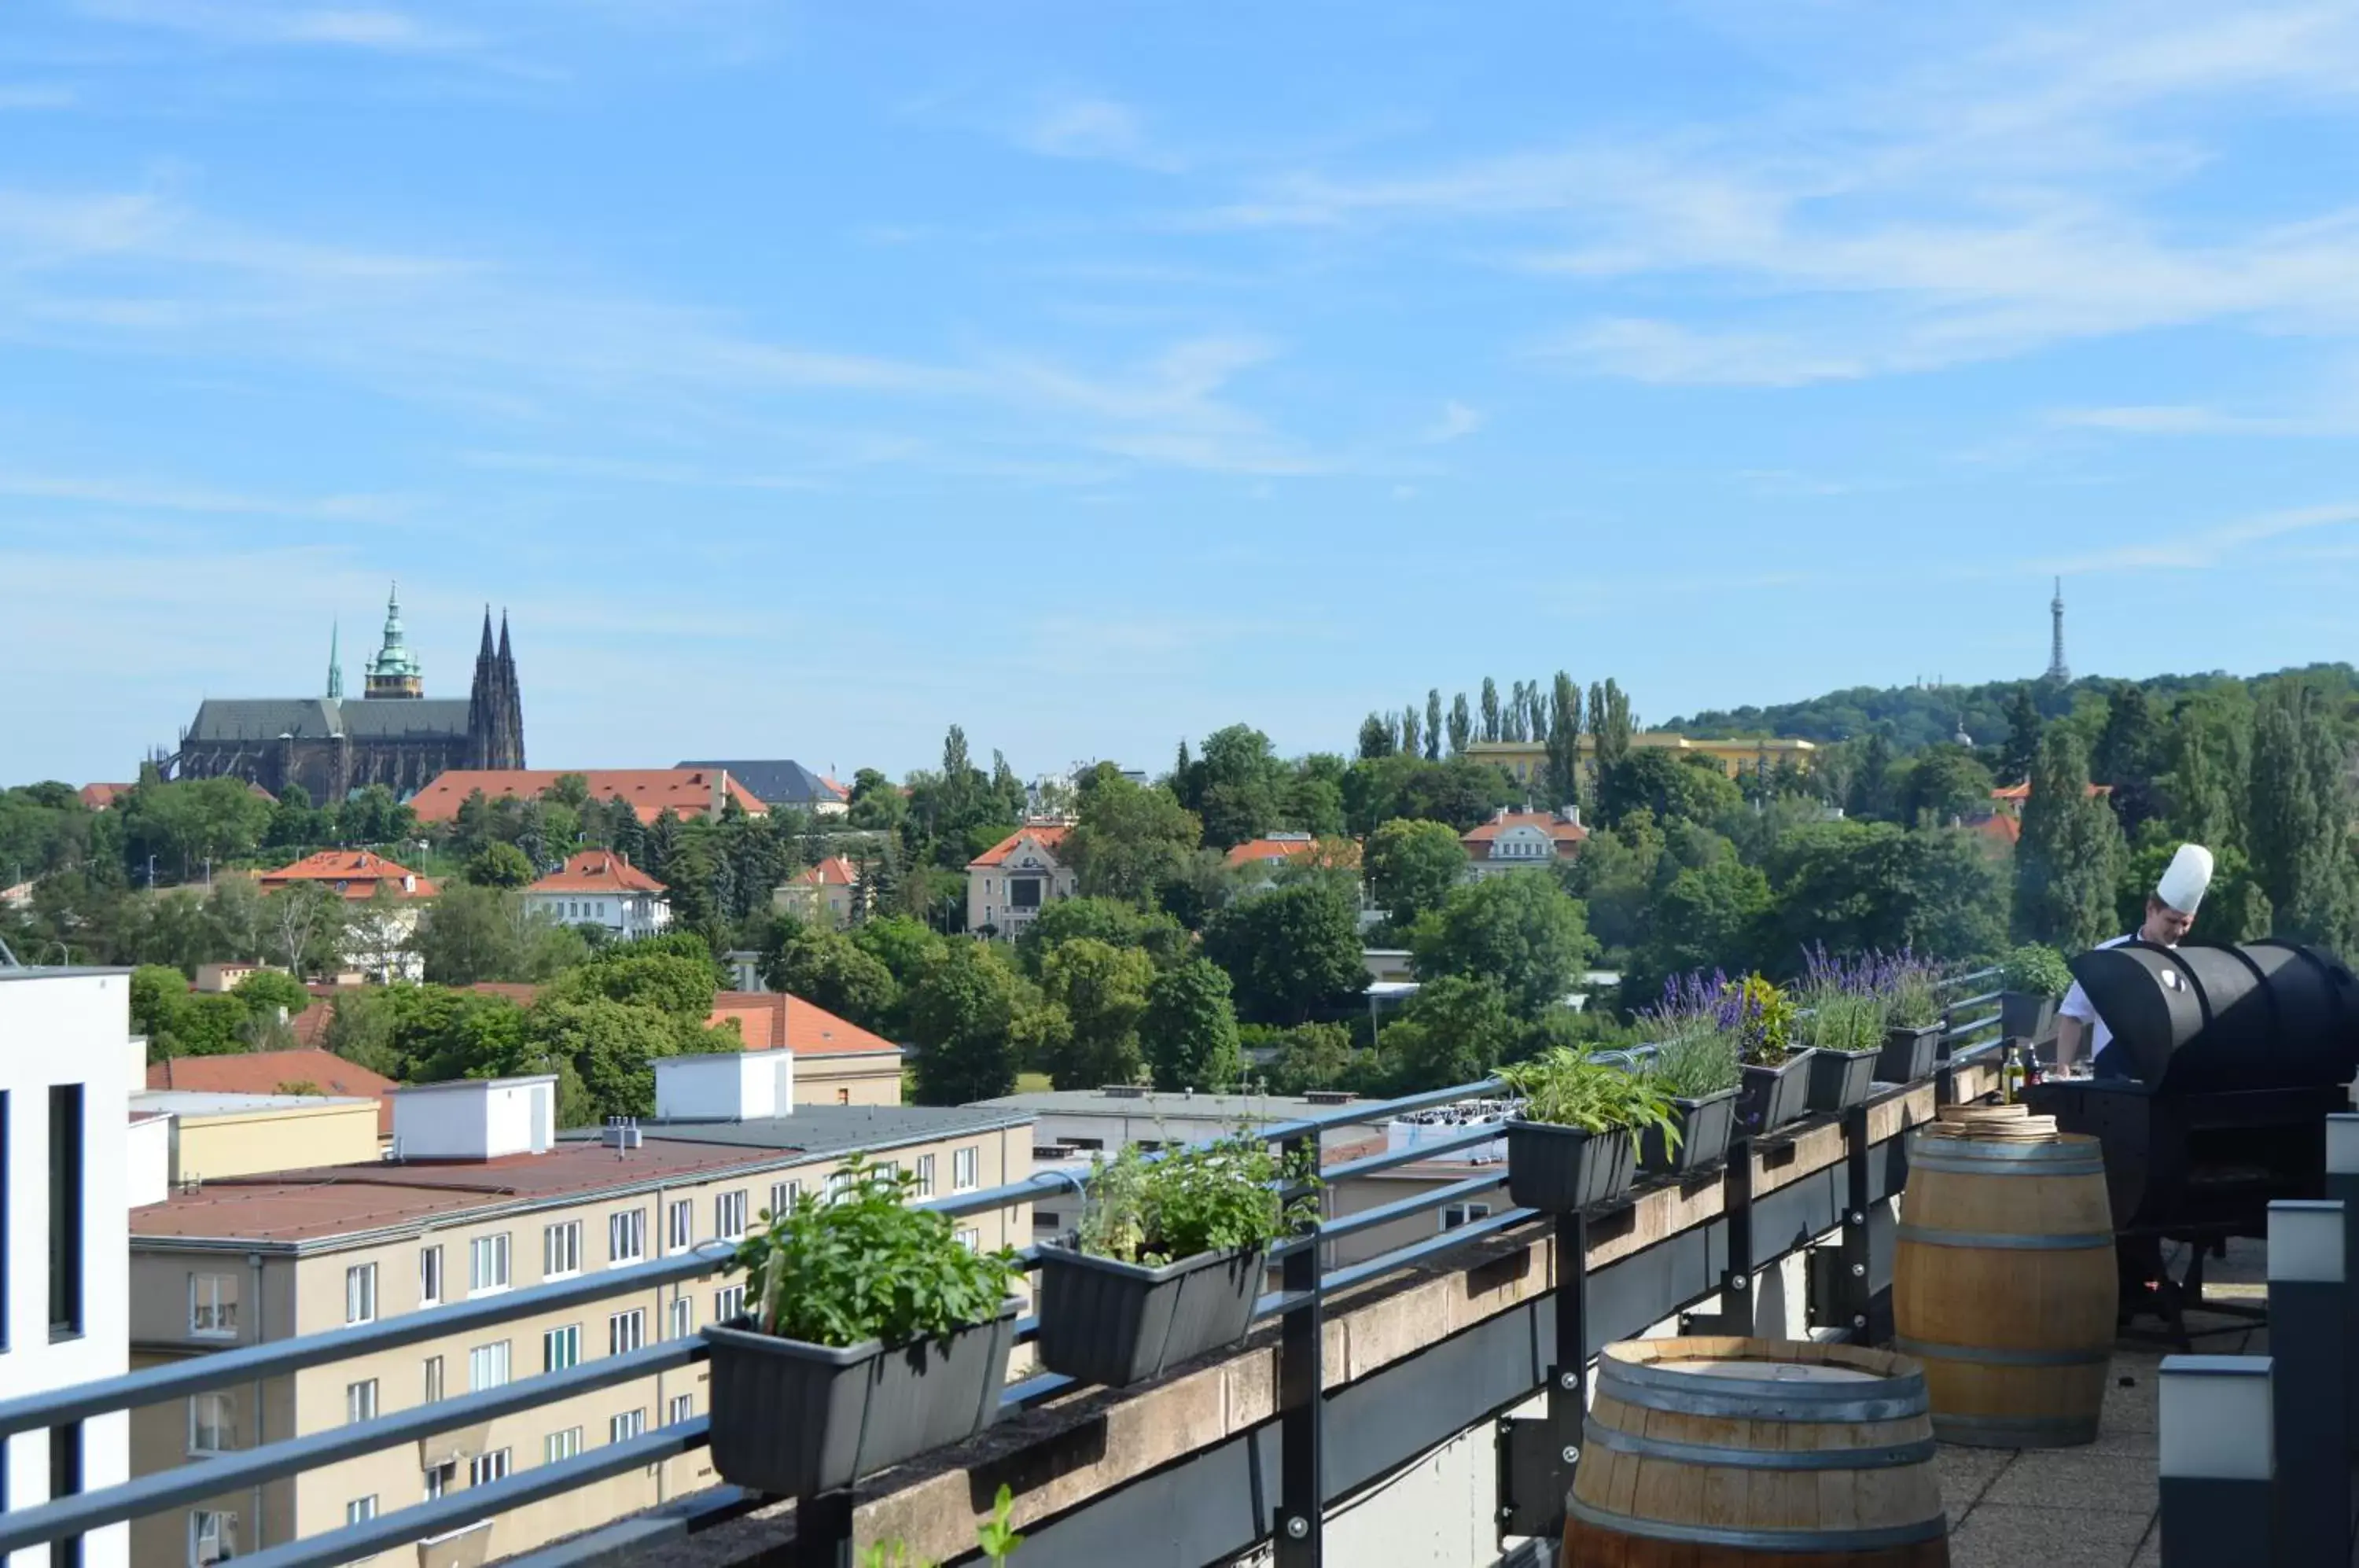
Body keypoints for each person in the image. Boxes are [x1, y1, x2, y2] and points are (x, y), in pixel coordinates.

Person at [2054, 842, 2213, 1077]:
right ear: (2151, 909)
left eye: (2185, 923)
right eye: (2171, 921)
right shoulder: (2108, 956)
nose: (2178, 931)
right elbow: (2073, 1015)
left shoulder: (2189, 965)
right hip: (2112, 1081)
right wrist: (2062, 1068)